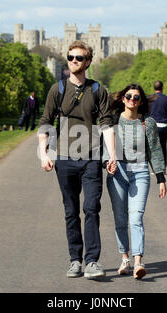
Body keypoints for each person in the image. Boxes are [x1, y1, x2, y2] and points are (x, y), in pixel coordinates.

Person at [37, 41, 117, 279]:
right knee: (71, 211)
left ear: (88, 62)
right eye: (70, 57)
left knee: (91, 208)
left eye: (79, 58)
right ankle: (75, 260)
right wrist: (44, 154)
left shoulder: (98, 90)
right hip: (64, 158)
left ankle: (92, 261)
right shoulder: (57, 89)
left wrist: (112, 155)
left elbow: (106, 125)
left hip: (91, 157)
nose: (74, 61)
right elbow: (45, 122)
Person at [104, 84, 167, 280]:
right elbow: (106, 147)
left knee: (136, 217)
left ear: (141, 102)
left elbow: (155, 150)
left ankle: (138, 261)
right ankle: (125, 259)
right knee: (120, 218)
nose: (132, 99)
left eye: (136, 97)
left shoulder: (147, 123)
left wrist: (161, 178)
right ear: (123, 99)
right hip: (118, 172)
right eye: (129, 96)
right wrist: (108, 162)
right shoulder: (113, 121)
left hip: (140, 172)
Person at [148, 80, 167, 171]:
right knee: (163, 146)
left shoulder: (150, 99)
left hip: (153, 125)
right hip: (163, 125)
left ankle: (155, 168)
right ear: (162, 88)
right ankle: (163, 167)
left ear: (154, 88)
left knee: (153, 148)